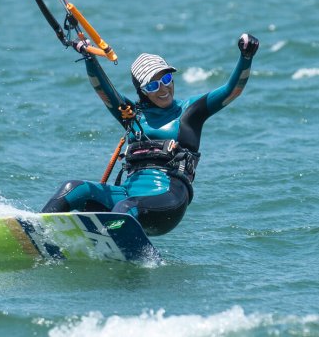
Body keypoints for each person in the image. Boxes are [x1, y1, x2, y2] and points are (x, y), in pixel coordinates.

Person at [41, 33, 260, 236]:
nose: (163, 89)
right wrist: (89, 57)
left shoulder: (190, 111)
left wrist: (246, 56)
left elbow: (233, 90)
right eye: (153, 85)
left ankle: (111, 247)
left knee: (124, 209)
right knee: (73, 188)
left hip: (169, 198)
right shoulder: (131, 115)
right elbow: (104, 90)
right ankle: (39, 232)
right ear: (142, 91)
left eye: (166, 80)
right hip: (127, 195)